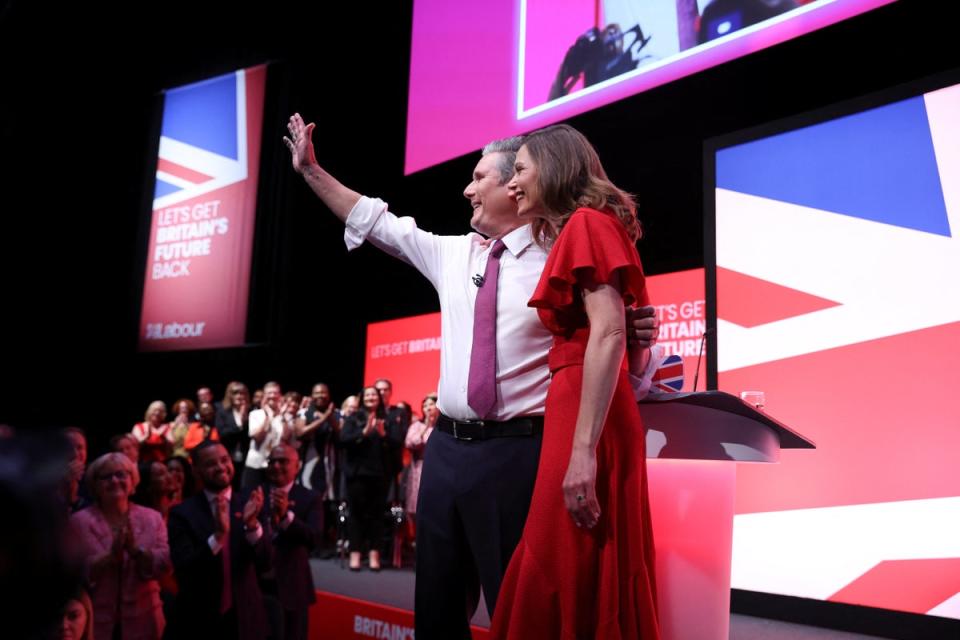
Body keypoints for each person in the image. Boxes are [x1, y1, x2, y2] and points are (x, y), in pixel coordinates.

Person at [284, 113, 660, 638]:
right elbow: (374, 220)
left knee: (518, 605)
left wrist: (635, 327)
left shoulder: (563, 254)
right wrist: (311, 172)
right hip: (446, 452)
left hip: (521, 453)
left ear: (516, 183)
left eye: (481, 177)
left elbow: (603, 337)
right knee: (436, 606)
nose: (468, 190)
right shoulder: (451, 253)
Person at [489, 124, 660, 638]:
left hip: (586, 420)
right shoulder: (582, 228)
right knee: (563, 557)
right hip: (580, 408)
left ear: (555, 166)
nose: (512, 183)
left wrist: (583, 451)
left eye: (519, 170)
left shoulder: (587, 223)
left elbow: (607, 332)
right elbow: (613, 333)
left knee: (564, 553)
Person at [166, 441, 271, 640]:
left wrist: (252, 527)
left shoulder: (251, 503)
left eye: (224, 460)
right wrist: (218, 537)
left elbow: (266, 562)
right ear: (196, 470)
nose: (221, 467)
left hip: (247, 619)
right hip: (199, 620)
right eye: (211, 463)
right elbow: (185, 571)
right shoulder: (182, 513)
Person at [70, 452, 171, 640]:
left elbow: (165, 566)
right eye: (106, 477)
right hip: (97, 624)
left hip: (145, 620)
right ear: (94, 485)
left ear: (133, 480)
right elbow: (74, 571)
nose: (115, 480)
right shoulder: (78, 522)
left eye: (121, 474)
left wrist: (137, 552)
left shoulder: (152, 518)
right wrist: (108, 558)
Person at [260, 444, 323, 640]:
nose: (276, 466)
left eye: (283, 461)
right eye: (272, 461)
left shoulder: (310, 498)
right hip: (257, 585)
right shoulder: (253, 494)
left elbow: (314, 538)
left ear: (298, 466)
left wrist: (287, 517)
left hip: (293, 587)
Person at [339, 386, 403, 571]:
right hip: (357, 474)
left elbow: (397, 443)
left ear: (380, 397)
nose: (371, 397)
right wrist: (363, 433)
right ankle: (355, 553)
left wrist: (383, 435)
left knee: (376, 516)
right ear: (362, 398)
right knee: (356, 514)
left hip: (380, 475)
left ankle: (374, 553)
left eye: (374, 394)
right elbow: (343, 440)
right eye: (367, 395)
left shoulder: (389, 419)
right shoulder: (353, 418)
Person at [403, 393, 437, 540]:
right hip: (420, 468)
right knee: (417, 507)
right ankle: (416, 540)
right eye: (425, 405)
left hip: (439, 469)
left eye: (431, 404)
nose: (427, 408)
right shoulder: (417, 425)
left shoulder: (443, 427)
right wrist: (426, 427)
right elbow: (410, 443)